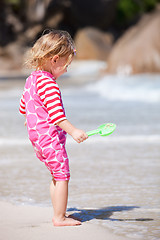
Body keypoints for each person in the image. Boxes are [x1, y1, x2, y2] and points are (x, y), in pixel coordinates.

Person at [19, 30, 88, 226]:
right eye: (67, 65)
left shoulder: (32, 79)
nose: (67, 70)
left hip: (37, 138)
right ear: (55, 60)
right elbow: (57, 116)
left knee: (56, 174)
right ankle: (59, 217)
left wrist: (32, 120)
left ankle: (59, 211)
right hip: (49, 139)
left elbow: (24, 106)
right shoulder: (50, 85)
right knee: (63, 175)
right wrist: (74, 131)